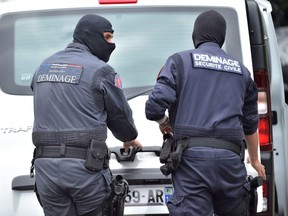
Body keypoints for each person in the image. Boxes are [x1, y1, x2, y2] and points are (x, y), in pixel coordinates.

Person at [145, 10, 266, 216]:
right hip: (231, 162)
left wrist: (164, 121)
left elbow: (154, 107)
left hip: (191, 162)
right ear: (222, 37)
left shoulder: (178, 62)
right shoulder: (242, 71)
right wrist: (254, 159)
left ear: (196, 35)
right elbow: (250, 124)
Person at [30, 14, 142, 216]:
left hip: (45, 169)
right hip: (85, 170)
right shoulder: (101, 71)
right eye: (107, 37)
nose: (112, 43)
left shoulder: (42, 67)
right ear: (91, 36)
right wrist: (129, 138)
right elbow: (119, 117)